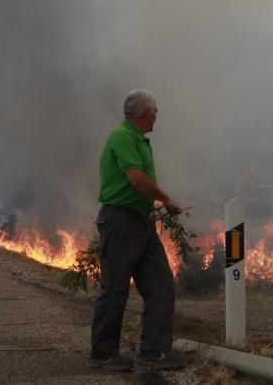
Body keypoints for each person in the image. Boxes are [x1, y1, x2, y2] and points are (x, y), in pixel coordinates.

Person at [89, 89, 187, 372]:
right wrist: (166, 199)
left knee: (160, 285)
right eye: (155, 111)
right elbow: (136, 179)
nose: (157, 116)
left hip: (141, 223)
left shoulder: (139, 140)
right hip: (120, 222)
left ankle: (154, 352)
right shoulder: (122, 137)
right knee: (115, 289)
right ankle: (103, 354)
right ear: (145, 113)